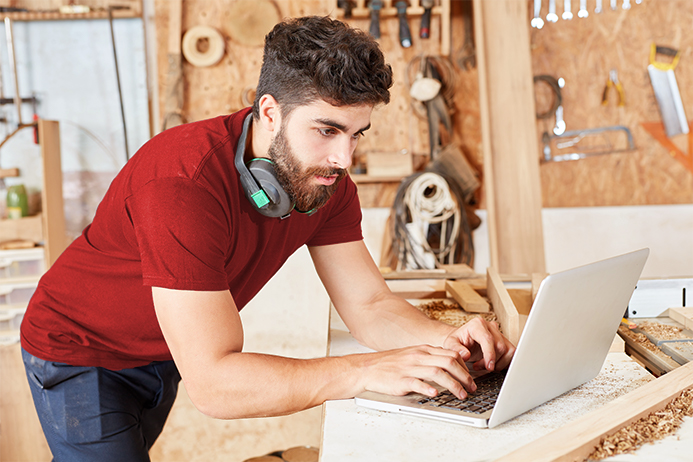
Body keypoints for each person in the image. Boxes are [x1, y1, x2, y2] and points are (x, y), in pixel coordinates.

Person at [20, 15, 515, 461]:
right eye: (326, 130)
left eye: (357, 134)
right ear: (270, 111)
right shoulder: (182, 185)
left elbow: (369, 304)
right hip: (79, 348)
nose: (344, 158)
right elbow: (214, 384)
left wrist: (449, 341)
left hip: (161, 350)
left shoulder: (324, 181)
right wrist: (364, 371)